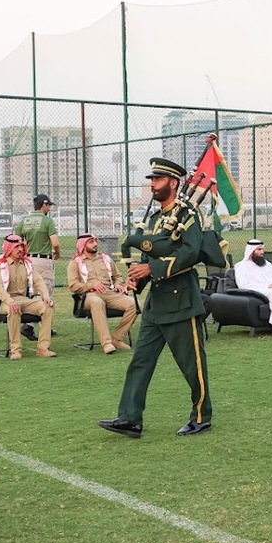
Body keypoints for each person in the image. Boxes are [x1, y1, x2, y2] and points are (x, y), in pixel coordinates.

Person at [98, 158, 214, 438]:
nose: (152, 184)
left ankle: (201, 415)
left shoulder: (188, 214)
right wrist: (138, 278)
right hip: (156, 302)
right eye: (151, 179)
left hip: (181, 301)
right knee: (140, 362)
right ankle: (130, 418)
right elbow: (152, 254)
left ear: (173, 183)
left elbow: (191, 253)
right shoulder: (155, 218)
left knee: (192, 364)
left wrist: (153, 268)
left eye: (158, 179)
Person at [67, 233, 137, 353]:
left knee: (133, 304)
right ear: (83, 245)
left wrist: (118, 284)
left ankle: (117, 338)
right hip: (89, 295)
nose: (95, 244)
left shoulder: (105, 259)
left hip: (109, 293)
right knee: (97, 302)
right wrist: (91, 285)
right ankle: (106, 343)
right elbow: (73, 286)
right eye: (91, 242)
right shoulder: (75, 263)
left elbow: (118, 276)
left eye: (95, 241)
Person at [0, 233, 57, 359]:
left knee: (48, 307)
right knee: (14, 309)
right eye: (17, 247)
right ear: (9, 248)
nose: (20, 249)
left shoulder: (27, 264)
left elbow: (39, 281)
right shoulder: (0, 265)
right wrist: (10, 301)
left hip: (25, 300)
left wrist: (45, 296)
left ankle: (43, 348)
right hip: (6, 302)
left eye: (21, 246)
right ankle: (16, 350)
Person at [14, 193, 60, 300]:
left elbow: (16, 241)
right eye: (49, 206)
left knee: (32, 292)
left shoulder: (24, 221)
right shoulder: (47, 221)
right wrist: (57, 253)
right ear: (44, 206)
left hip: (28, 261)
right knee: (45, 295)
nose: (49, 209)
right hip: (44, 260)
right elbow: (56, 243)